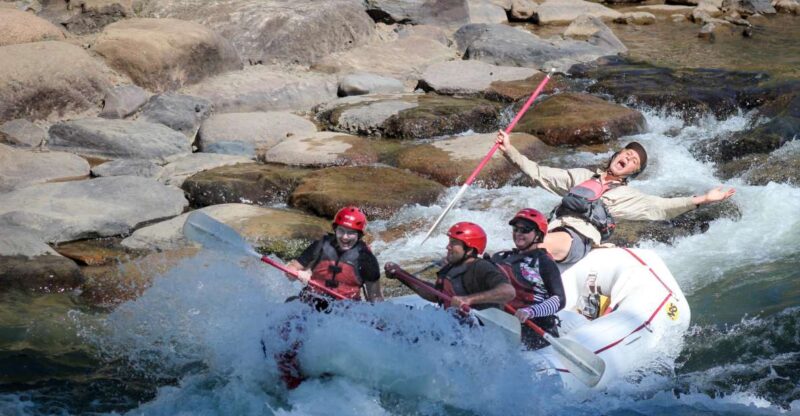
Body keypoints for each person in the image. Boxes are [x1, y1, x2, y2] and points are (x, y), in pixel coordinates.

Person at [495, 131, 736, 264]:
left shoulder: (629, 196)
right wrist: (509, 150)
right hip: (554, 227)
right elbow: (539, 174)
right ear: (615, 156)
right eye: (627, 154)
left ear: (634, 172)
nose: (629, 159)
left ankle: (515, 265)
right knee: (524, 228)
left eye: (635, 162)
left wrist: (704, 199)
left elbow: (661, 207)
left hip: (580, 239)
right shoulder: (580, 176)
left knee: (539, 245)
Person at [395, 221, 515, 311]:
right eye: (449, 242)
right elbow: (435, 295)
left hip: (477, 331)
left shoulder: (481, 267)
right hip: (453, 325)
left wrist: (469, 299)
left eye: (454, 243)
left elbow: (508, 292)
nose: (448, 247)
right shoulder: (451, 267)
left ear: (469, 250)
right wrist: (401, 275)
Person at [490, 209, 564, 350]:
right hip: (505, 324)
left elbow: (559, 299)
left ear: (537, 235)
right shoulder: (502, 257)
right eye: (516, 229)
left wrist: (530, 311)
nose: (518, 233)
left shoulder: (544, 262)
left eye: (525, 230)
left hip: (535, 329)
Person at [284, 206, 383, 308]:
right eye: (341, 231)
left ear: (359, 235)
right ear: (335, 229)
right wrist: (297, 274)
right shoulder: (320, 245)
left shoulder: (366, 258)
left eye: (351, 233)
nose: (345, 237)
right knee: (291, 302)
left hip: (345, 308)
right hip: (312, 300)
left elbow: (375, 298)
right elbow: (291, 269)